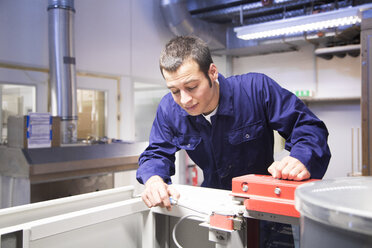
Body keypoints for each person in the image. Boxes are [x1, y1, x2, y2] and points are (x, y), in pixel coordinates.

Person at [136, 35, 331, 245]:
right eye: (174, 91)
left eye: (191, 87)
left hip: (263, 209)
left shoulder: (256, 89)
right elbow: (156, 152)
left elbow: (308, 127)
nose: (184, 100)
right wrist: (154, 178)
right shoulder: (169, 109)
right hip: (213, 207)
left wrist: (302, 157)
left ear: (212, 72)